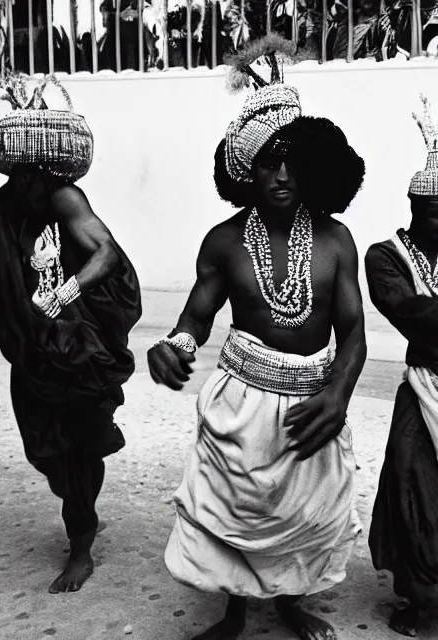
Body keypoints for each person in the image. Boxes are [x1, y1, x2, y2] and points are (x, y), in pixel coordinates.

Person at [147, 35, 366, 640]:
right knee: (235, 513)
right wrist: (174, 347)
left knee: (301, 515)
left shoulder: (334, 240)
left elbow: (353, 334)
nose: (281, 175)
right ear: (246, 167)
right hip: (241, 399)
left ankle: (292, 603)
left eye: (293, 162)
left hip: (314, 401)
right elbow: (195, 319)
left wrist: (340, 394)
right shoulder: (222, 240)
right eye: (268, 162)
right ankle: (235, 611)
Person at [0, 74, 142, 594]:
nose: (25, 183)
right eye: (18, 174)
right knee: (48, 452)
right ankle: (80, 506)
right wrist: (12, 317)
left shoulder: (66, 197)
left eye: (31, 174)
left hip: (77, 345)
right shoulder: (5, 206)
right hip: (34, 349)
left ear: (45, 168)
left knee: (80, 447)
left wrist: (63, 294)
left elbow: (107, 253)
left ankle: (82, 547)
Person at [366, 94, 438, 638]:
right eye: (434, 210)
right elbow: (414, 314)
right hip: (424, 385)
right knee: (414, 485)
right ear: (415, 205)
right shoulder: (385, 255)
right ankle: (418, 598)